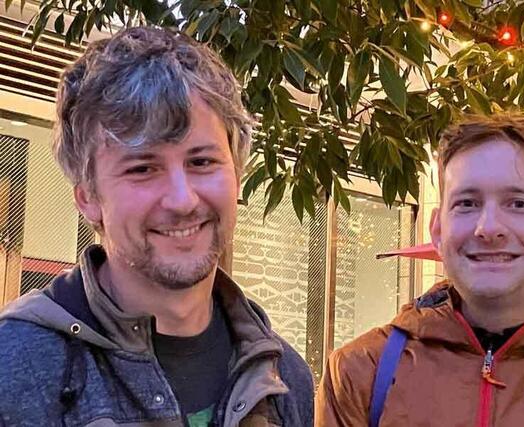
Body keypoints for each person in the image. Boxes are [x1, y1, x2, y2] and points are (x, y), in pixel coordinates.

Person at [0, 26, 313, 427]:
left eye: (202, 162)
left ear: (237, 174)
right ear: (88, 198)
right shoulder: (16, 369)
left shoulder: (285, 382)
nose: (182, 200)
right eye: (143, 168)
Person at [315, 114, 524, 426]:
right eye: (467, 203)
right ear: (438, 231)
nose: (489, 228)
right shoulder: (361, 373)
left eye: (519, 204)